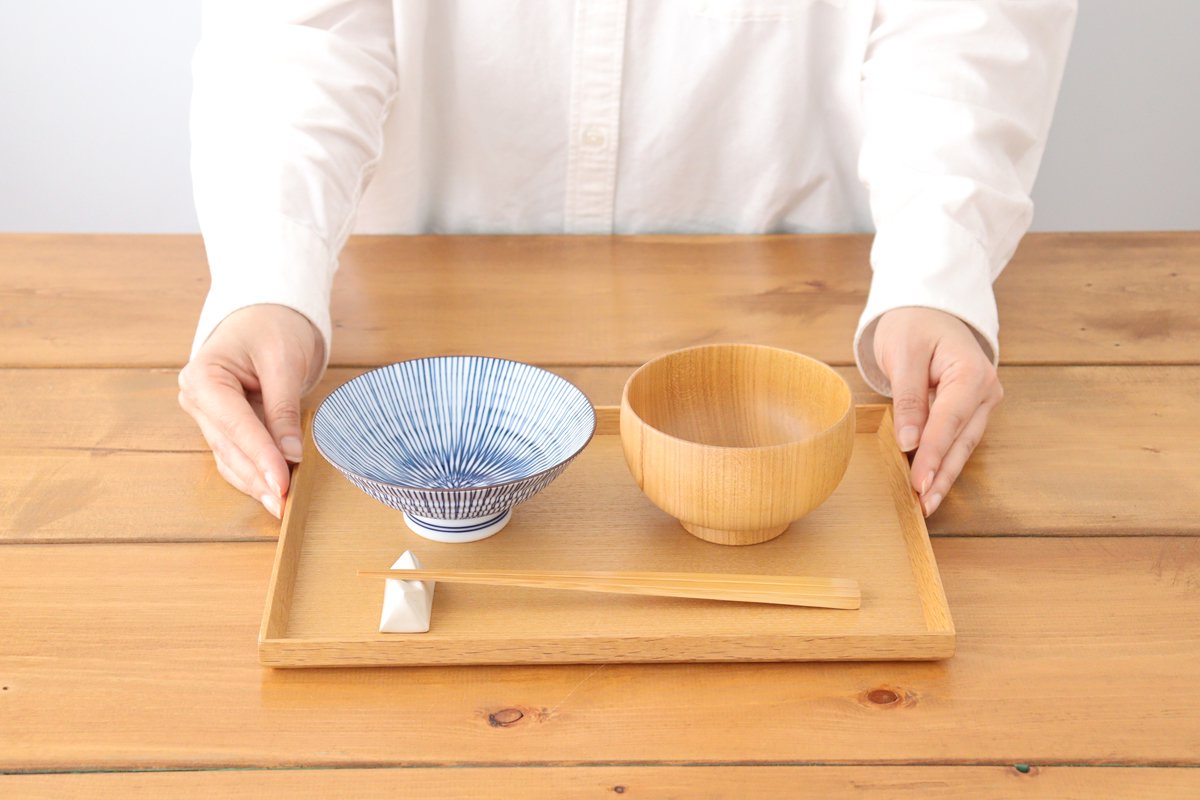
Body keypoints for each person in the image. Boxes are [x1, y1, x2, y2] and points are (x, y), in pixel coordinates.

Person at [177, 1, 1076, 520]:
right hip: (410, 293)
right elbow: (298, 32)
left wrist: (937, 270)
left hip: (813, 294)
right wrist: (269, 274)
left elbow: (965, 22)